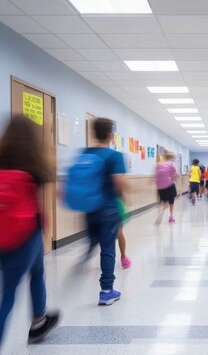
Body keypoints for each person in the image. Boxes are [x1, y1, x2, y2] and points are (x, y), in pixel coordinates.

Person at [0, 116, 60, 345]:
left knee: (34, 273)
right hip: (26, 234)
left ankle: (38, 321)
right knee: (9, 293)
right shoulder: (35, 166)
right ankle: (37, 322)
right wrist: (45, 231)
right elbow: (39, 205)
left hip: (3, 235)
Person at [83, 118, 127, 306]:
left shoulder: (85, 153)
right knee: (108, 248)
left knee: (96, 240)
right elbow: (118, 184)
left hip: (89, 208)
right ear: (111, 135)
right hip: (108, 209)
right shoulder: (114, 156)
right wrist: (126, 194)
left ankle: (89, 249)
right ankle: (107, 291)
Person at [156, 152, 178, 223]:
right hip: (169, 185)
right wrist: (175, 180)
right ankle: (171, 216)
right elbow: (175, 175)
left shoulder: (159, 164)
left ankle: (161, 212)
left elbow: (155, 175)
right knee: (171, 202)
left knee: (164, 201)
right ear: (171, 158)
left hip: (160, 187)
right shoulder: (171, 164)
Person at [117, 198, 131, 268]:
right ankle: (123, 257)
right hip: (115, 206)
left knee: (118, 233)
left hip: (113, 206)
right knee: (119, 233)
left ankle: (123, 257)